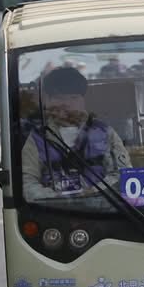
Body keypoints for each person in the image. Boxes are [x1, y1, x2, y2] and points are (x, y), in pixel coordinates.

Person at [20, 67, 132, 201]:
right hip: (53, 211)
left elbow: (122, 175)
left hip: (102, 208)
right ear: (47, 101)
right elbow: (27, 182)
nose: (66, 104)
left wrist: (91, 194)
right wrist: (58, 199)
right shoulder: (37, 137)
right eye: (58, 97)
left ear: (83, 101)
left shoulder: (105, 132)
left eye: (73, 98)